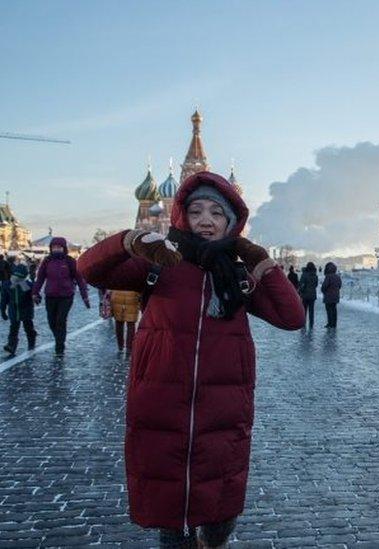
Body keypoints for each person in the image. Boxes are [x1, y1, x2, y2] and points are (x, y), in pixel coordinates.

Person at [77, 171, 304, 549]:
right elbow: (89, 269)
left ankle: (213, 541)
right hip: (162, 406)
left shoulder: (238, 273)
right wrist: (129, 242)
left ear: (231, 222)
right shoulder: (159, 262)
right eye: (196, 210)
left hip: (223, 411)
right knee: (172, 517)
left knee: (220, 514)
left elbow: (292, 316)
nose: (205, 220)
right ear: (182, 215)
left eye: (217, 212)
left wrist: (260, 260)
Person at [32, 236, 89, 356]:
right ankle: (59, 338)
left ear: (64, 248)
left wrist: (84, 295)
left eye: (59, 247)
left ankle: (59, 347)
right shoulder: (47, 261)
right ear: (51, 248)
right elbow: (40, 278)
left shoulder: (70, 261)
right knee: (51, 321)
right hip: (50, 295)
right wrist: (35, 292)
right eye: (54, 247)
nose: (56, 249)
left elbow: (79, 278)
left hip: (66, 296)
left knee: (60, 321)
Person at [2, 264, 36, 357]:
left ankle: (31, 342)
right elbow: (4, 299)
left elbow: (34, 294)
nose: (16, 279)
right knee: (13, 328)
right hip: (13, 311)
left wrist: (36, 298)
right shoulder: (7, 284)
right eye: (15, 276)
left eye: (19, 277)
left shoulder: (26, 285)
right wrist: (3, 310)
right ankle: (11, 346)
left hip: (26, 311)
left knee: (28, 327)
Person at [298, 261, 318, 328]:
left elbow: (301, 284)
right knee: (311, 311)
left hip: (305, 295)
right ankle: (311, 323)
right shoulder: (315, 275)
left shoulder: (304, 275)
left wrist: (300, 291)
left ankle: (303, 323)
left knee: (304, 310)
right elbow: (316, 285)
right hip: (312, 295)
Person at [320, 262, 341, 328]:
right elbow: (340, 285)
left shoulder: (328, 277)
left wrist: (323, 291)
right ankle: (334, 324)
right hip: (335, 296)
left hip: (328, 296)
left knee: (329, 310)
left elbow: (324, 286)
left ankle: (330, 323)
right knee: (334, 309)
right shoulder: (337, 277)